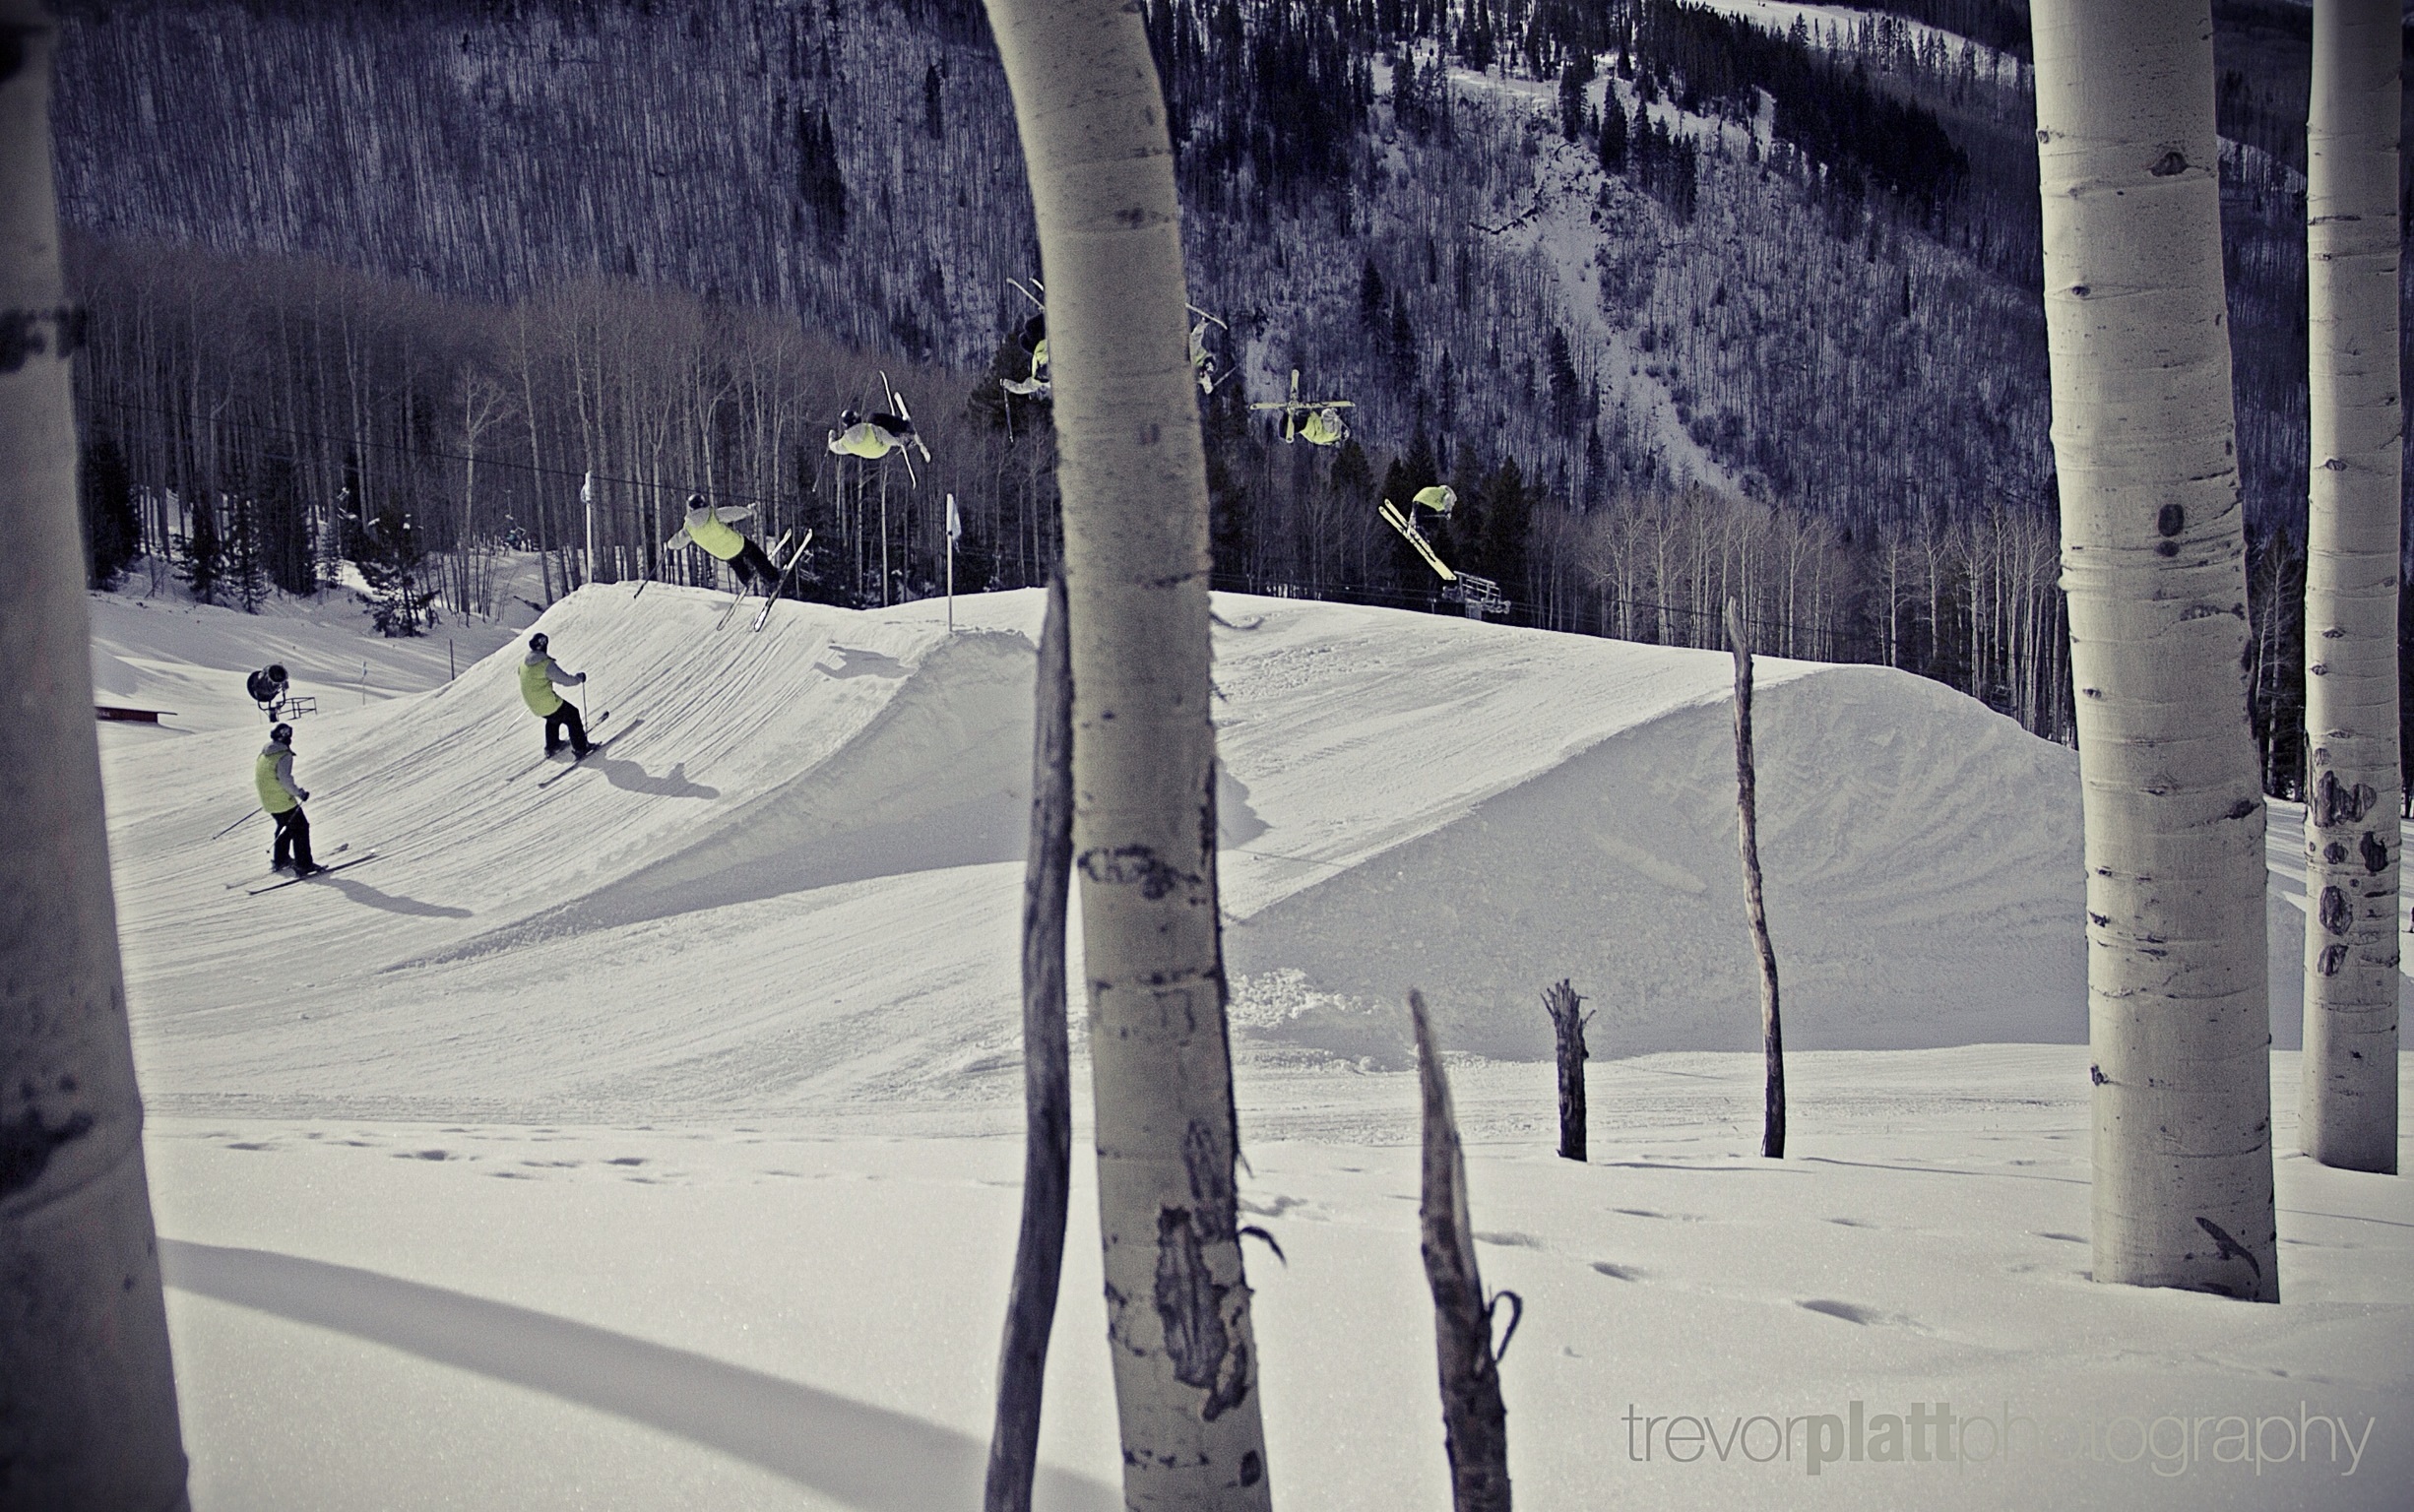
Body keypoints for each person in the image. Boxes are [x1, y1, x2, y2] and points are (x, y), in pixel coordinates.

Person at [664, 493, 788, 591]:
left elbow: (677, 542)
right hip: (737, 544)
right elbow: (732, 513)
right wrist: (748, 510)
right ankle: (773, 577)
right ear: (704, 503)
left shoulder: (689, 527)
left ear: (691, 508)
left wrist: (670, 545)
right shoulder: (712, 514)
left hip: (720, 553)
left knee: (733, 559)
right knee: (754, 553)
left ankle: (746, 578)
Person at [255, 722, 323, 875]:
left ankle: (281, 859)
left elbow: (265, 777)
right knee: (300, 828)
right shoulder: (283, 755)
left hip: (269, 801)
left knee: (286, 826)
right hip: (282, 801)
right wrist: (299, 793)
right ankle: (304, 864)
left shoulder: (265, 754)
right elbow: (285, 779)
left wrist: (270, 796)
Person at [520, 632, 594, 756]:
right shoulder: (545, 664)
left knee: (553, 717)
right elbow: (565, 680)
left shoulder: (524, 663)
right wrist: (578, 678)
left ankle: (552, 745)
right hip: (545, 702)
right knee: (572, 714)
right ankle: (580, 747)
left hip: (533, 704)